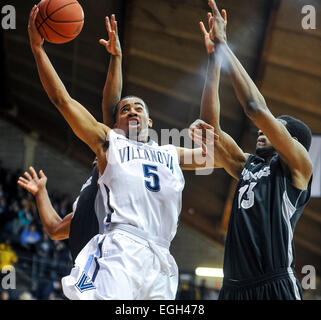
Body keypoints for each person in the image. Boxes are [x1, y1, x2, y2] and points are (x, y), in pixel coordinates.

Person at [26, 5, 217, 300]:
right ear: (115, 123)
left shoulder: (169, 150)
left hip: (162, 260)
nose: (131, 111)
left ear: (149, 121)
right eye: (125, 109)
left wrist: (214, 62)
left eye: (138, 108)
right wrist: (38, 50)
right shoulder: (109, 143)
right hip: (121, 246)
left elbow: (210, 153)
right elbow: (63, 101)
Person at [195, 0, 313, 300]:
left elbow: (254, 107)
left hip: (274, 285)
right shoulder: (249, 166)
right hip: (233, 288)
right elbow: (211, 130)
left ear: (292, 141)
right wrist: (213, 62)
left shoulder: (298, 169)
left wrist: (224, 45)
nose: (263, 129)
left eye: (276, 127)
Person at [18, 15, 123, 264]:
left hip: (115, 269)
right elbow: (55, 230)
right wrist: (41, 192)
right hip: (88, 276)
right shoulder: (91, 191)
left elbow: (67, 101)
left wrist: (37, 49)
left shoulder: (118, 157)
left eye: (137, 110)